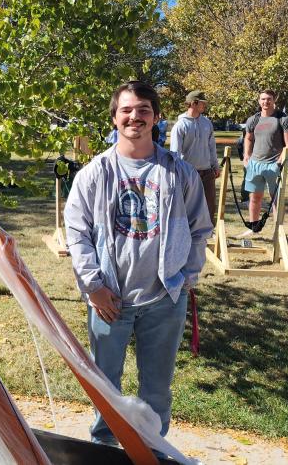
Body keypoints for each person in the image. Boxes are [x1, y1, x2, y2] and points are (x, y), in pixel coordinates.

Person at [63, 81, 212, 445]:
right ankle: (105, 448)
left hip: (164, 300)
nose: (135, 117)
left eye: (144, 109)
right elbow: (76, 233)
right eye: (127, 110)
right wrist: (94, 286)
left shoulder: (179, 173)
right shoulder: (94, 174)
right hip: (109, 300)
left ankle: (153, 450)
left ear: (157, 117)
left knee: (157, 389)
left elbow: (200, 228)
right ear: (114, 118)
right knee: (105, 387)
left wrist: (184, 279)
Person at [239, 90, 288, 237]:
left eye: (269, 99)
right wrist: (247, 155)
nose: (266, 102)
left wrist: (281, 160)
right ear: (259, 101)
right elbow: (248, 138)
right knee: (255, 197)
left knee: (276, 198)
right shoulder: (253, 119)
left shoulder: (282, 119)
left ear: (274, 100)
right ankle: (253, 228)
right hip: (255, 164)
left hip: (273, 164)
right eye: (263, 99)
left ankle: (278, 231)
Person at [169, 90, 221, 220]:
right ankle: (187, 234)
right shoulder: (180, 125)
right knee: (188, 206)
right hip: (188, 173)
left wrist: (215, 165)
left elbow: (211, 147)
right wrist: (177, 172)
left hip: (207, 172)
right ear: (193, 103)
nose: (205, 106)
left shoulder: (207, 123)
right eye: (202, 103)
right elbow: (175, 152)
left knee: (209, 205)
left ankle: (207, 233)